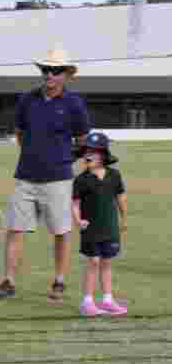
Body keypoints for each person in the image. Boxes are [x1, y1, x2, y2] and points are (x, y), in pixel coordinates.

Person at [0, 48, 90, 302]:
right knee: (14, 229)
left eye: (55, 71)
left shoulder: (74, 103)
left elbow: (83, 140)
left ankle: (59, 281)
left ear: (66, 74)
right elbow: (20, 133)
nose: (49, 75)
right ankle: (8, 281)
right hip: (25, 176)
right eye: (46, 69)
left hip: (59, 179)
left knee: (61, 231)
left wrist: (64, 159)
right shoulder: (27, 100)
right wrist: (33, 155)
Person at [73, 131, 128, 317]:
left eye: (93, 152)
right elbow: (75, 203)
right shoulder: (81, 180)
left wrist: (124, 218)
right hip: (90, 229)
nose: (88, 155)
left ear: (103, 155)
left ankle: (107, 300)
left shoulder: (114, 175)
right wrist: (78, 220)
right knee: (93, 261)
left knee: (106, 262)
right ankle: (87, 302)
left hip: (110, 228)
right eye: (86, 151)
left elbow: (120, 197)